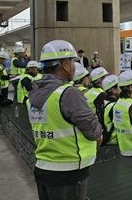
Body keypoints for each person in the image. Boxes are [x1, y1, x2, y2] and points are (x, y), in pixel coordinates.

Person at [27, 39, 102, 200]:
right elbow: (93, 131)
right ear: (65, 65)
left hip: (44, 167)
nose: (75, 66)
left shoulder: (33, 93)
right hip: (69, 172)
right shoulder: (68, 94)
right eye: (73, 62)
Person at [100, 74, 120, 146]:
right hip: (114, 142)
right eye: (119, 86)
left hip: (107, 141)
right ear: (113, 90)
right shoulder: (114, 106)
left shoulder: (105, 102)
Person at [0, 51, 12, 124]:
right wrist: (9, 77)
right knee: (0, 104)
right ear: (0, 59)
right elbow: (1, 76)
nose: (5, 61)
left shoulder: (1, 65)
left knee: (2, 103)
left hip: (4, 86)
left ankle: (0, 119)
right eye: (4, 59)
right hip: (1, 88)